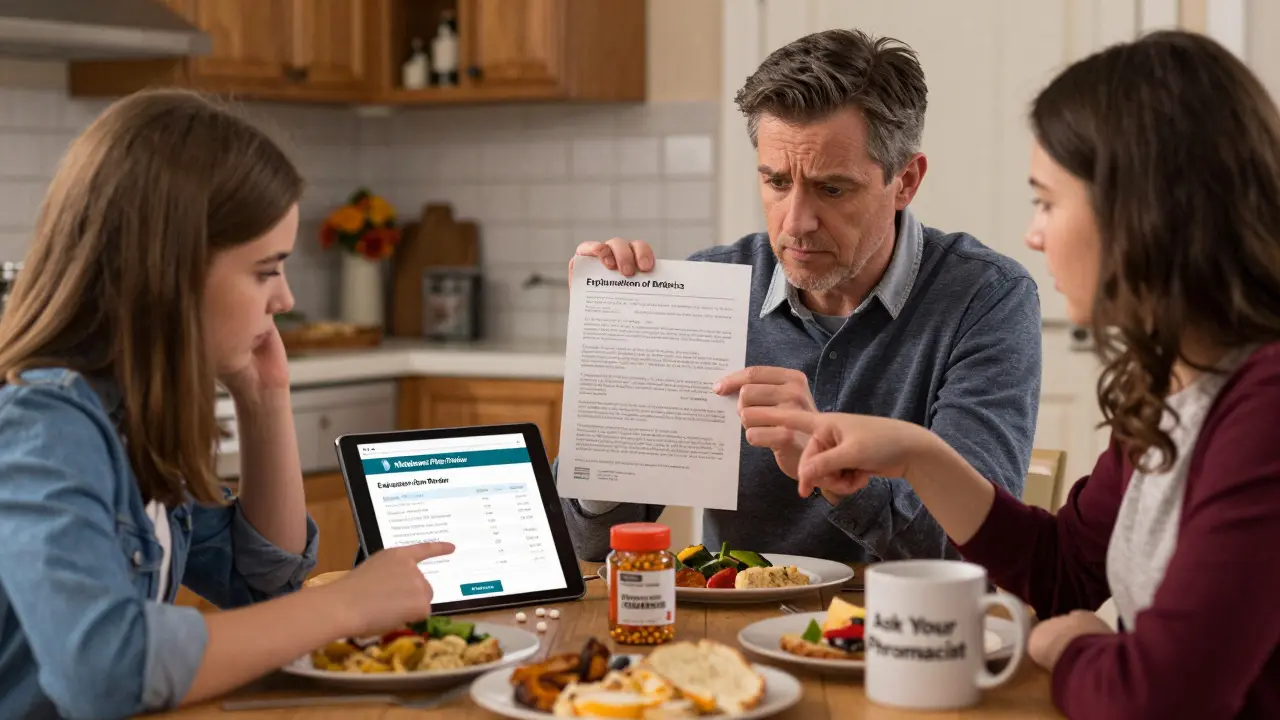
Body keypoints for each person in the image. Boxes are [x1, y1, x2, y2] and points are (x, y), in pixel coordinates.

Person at [746, 30, 1280, 719]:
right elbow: (1061, 572)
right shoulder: (1176, 387)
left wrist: (1079, 648)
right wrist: (916, 454)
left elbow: (1159, 695)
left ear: (1146, 214)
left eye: (1049, 202)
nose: (1034, 234)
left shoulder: (1264, 408)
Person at [0, 90, 453, 719]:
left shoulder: (131, 419)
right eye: (266, 270)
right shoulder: (43, 427)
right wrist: (348, 604)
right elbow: (105, 668)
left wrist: (265, 399)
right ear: (171, 271)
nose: (286, 299)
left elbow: (260, 580)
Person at [559, 29, 1042, 563]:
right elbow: (588, 546)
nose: (796, 223)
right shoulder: (706, 293)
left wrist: (834, 472)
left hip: (902, 631)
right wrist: (612, 376)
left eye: (832, 189)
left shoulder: (986, 299)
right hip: (728, 632)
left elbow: (975, 551)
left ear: (905, 180)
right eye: (776, 182)